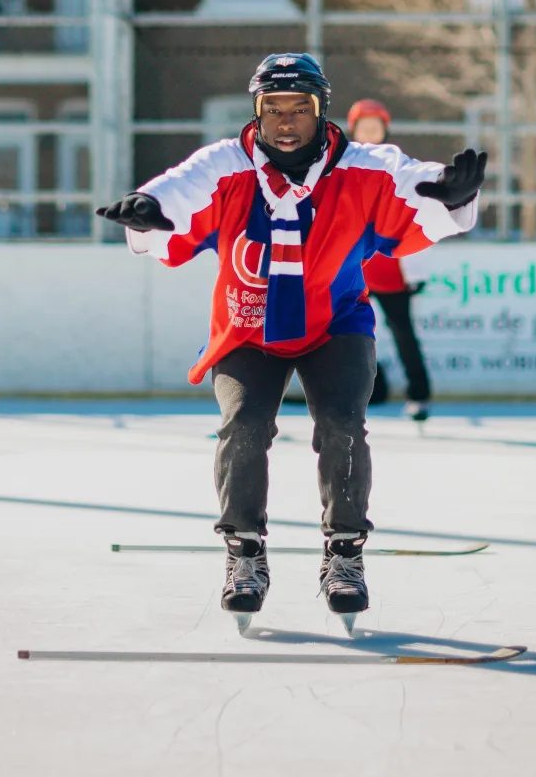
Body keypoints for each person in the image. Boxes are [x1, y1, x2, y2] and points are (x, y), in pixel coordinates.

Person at [97, 54, 486, 629]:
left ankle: (345, 554)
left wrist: (446, 194)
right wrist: (152, 211)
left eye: (299, 108)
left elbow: (403, 176)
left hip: (335, 322)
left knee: (342, 425)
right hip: (246, 326)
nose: (285, 121)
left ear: (320, 110)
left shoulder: (357, 164)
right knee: (245, 426)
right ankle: (244, 553)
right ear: (256, 112)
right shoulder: (228, 164)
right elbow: (183, 187)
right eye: (273, 108)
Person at [347, 98, 434, 423]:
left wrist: (418, 268)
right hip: (353, 269)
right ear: (353, 129)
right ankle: (341, 393)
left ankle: (419, 395)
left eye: (376, 126)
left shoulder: (400, 165)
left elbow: (418, 214)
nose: (370, 132)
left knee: (402, 332)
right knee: (343, 335)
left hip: (391, 269)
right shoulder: (340, 164)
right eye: (364, 127)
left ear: (385, 130)